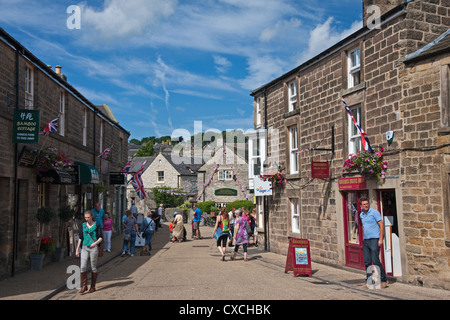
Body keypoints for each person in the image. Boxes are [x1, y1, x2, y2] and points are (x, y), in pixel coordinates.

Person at [359, 196, 388, 289]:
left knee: (375, 260)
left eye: (367, 204)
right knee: (367, 261)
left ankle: (383, 280)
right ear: (361, 206)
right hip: (366, 240)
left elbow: (381, 225)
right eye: (364, 204)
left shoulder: (374, 212)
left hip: (375, 239)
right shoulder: (361, 215)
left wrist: (380, 239)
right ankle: (369, 282)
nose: (366, 205)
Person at [76, 210, 103, 293]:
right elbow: (81, 237)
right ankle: (84, 286)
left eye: (88, 217)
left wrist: (95, 243)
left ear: (92, 217)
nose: (86, 219)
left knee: (93, 266)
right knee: (83, 266)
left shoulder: (97, 225)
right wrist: (77, 249)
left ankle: (93, 286)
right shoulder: (83, 225)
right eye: (85, 217)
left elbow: (100, 237)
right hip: (84, 247)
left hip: (93, 248)